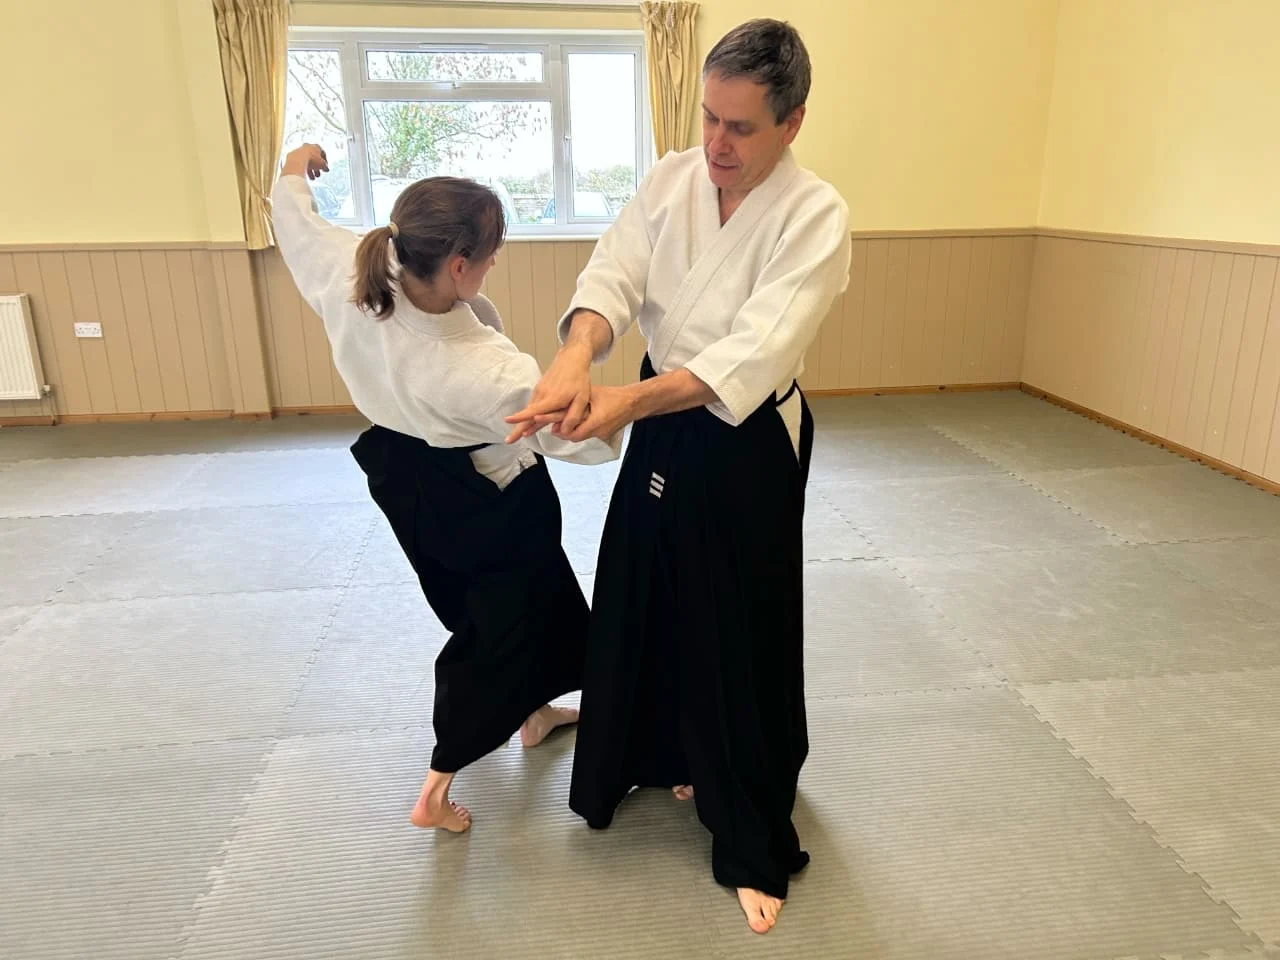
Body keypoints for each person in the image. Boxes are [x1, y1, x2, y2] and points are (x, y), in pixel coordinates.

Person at [504, 19, 851, 934]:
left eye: (741, 127)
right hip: (661, 418)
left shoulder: (816, 216)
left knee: (737, 620)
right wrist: (578, 355)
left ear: (792, 123)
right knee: (645, 589)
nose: (717, 145)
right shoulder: (671, 179)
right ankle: (662, 750)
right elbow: (614, 272)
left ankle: (747, 830)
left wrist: (621, 402)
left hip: (742, 440)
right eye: (708, 118)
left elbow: (753, 351)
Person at [271, 143, 622, 834]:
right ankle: (436, 787)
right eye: (491, 255)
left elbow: (292, 220)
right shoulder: (476, 367)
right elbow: (577, 432)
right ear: (460, 265)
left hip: (405, 480)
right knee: (496, 633)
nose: (494, 265)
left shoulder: (353, 266)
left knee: (526, 600)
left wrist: (294, 166)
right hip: (486, 498)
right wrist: (658, 409)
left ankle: (535, 713)